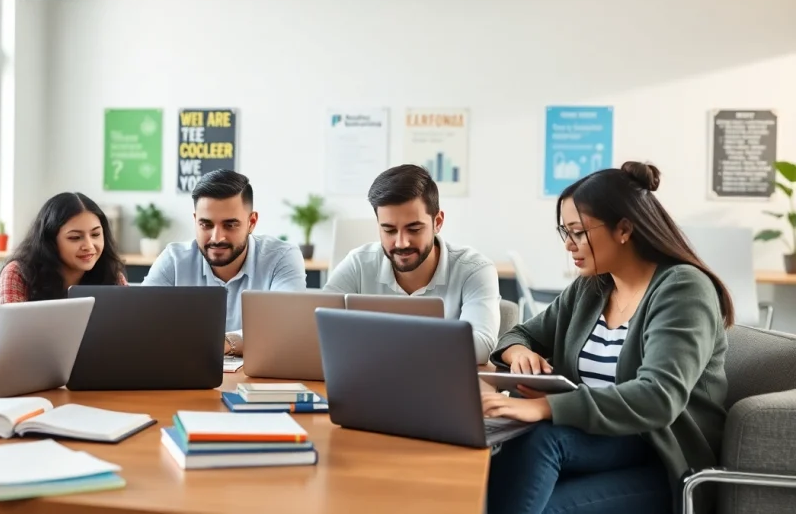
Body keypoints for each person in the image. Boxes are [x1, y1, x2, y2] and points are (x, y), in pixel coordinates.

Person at [482, 161, 732, 514]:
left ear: (624, 229)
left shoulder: (683, 288)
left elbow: (659, 397)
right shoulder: (593, 287)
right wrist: (518, 351)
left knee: (540, 442)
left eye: (578, 232)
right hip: (595, 444)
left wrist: (544, 407)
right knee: (518, 439)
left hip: (661, 458)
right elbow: (519, 333)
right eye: (565, 232)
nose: (569, 245)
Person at [323, 164, 501, 364]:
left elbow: (481, 345)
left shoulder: (474, 269)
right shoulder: (358, 263)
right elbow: (316, 327)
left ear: (437, 222)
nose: (401, 243)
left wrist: (375, 342)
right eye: (389, 230)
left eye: (414, 229)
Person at [142, 169, 306, 356]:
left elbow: (287, 328)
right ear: (195, 221)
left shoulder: (281, 257)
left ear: (252, 222)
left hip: (260, 374)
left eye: (230, 225)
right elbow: (143, 323)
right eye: (206, 224)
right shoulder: (174, 259)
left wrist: (225, 343)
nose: (217, 237)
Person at [0, 192, 127, 304]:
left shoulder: (111, 275)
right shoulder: (19, 273)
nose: (89, 246)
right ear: (50, 240)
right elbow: (13, 325)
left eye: (95, 234)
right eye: (75, 237)